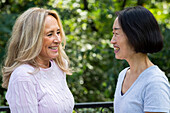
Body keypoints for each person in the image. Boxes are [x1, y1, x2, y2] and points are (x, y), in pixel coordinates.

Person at [1, 7, 74, 113]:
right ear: (32, 39)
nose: (58, 40)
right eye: (50, 34)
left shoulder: (59, 67)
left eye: (58, 32)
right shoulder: (23, 76)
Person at [111, 6, 170, 113]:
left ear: (135, 35)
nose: (112, 41)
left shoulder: (155, 82)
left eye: (116, 34)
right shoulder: (123, 75)